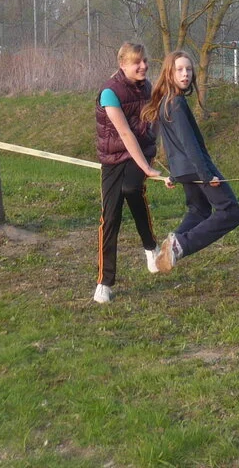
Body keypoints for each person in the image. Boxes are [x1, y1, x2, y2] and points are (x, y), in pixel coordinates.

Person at [142, 50, 239, 273]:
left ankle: (168, 250)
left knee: (199, 210)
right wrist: (207, 175)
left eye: (188, 69)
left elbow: (170, 144)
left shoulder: (165, 102)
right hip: (197, 169)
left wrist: (175, 174)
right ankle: (180, 245)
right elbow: (189, 144)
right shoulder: (175, 103)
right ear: (169, 73)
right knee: (231, 212)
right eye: (179, 69)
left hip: (184, 170)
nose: (185, 74)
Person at [93, 42, 161, 304]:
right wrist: (147, 168)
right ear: (123, 64)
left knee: (132, 188)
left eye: (145, 61)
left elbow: (153, 118)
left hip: (140, 151)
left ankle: (150, 247)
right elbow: (124, 133)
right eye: (137, 62)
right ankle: (104, 282)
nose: (143, 66)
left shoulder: (147, 86)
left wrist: (152, 147)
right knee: (110, 217)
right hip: (113, 157)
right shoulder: (109, 92)